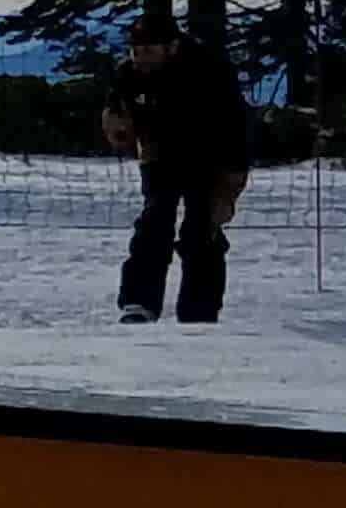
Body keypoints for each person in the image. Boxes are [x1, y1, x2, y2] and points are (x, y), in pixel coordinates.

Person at [101, 16, 251, 324]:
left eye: (149, 51)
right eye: (135, 50)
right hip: (160, 156)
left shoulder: (212, 72)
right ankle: (138, 304)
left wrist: (230, 187)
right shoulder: (128, 75)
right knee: (153, 224)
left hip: (211, 158)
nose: (140, 58)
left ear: (172, 46)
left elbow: (237, 130)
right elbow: (117, 111)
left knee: (201, 232)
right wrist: (117, 126)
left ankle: (199, 312)